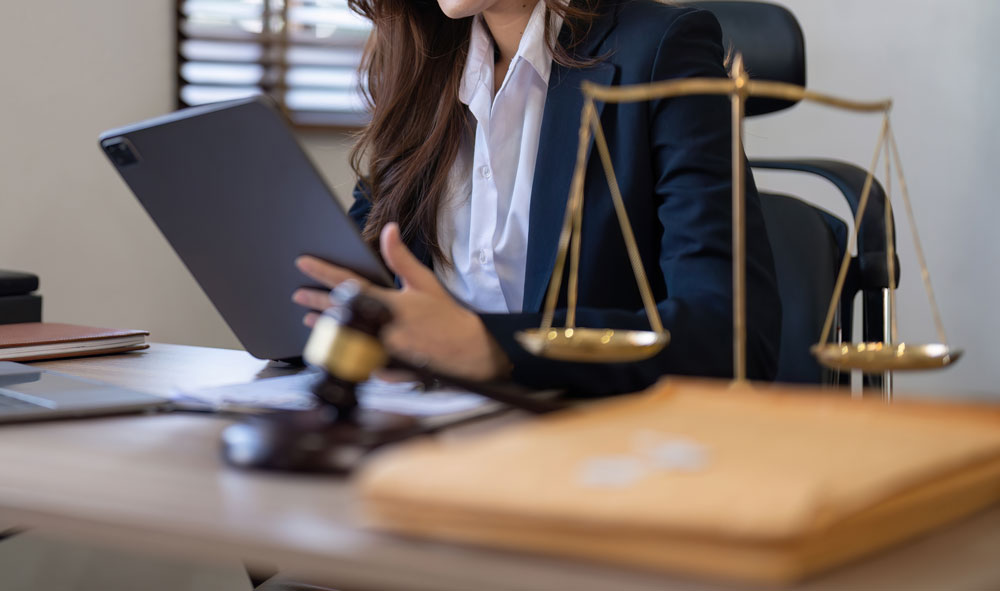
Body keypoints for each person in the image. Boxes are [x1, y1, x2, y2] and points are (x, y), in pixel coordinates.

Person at [291, 0, 782, 398]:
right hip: (419, 428)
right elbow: (354, 280)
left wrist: (491, 347)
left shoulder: (661, 48)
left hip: (594, 446)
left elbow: (730, 337)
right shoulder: (422, 62)